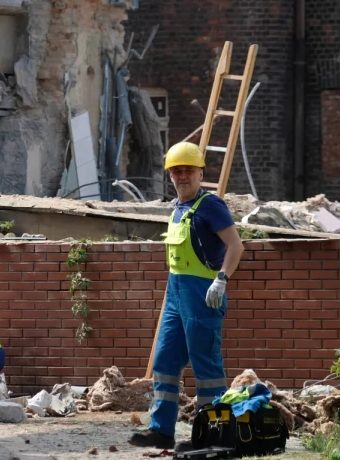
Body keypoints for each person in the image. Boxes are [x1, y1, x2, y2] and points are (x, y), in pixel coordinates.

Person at [129, 141, 245, 450]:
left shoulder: (211, 205)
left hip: (203, 295)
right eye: (176, 171)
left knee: (206, 367)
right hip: (176, 295)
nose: (182, 176)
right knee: (165, 362)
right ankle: (162, 429)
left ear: (200, 173)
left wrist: (221, 280)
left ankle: (215, 436)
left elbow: (236, 246)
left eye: (188, 170)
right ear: (170, 175)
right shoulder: (178, 208)